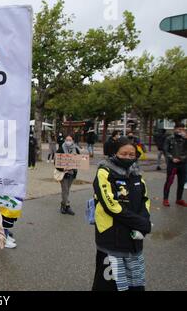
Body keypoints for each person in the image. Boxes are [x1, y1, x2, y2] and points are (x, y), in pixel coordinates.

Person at [92, 137, 151, 291]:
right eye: (124, 154)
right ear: (114, 153)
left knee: (134, 281)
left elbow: (145, 199)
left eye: (132, 155)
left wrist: (144, 219)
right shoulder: (104, 172)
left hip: (133, 238)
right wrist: (140, 223)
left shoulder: (136, 173)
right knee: (109, 284)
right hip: (111, 236)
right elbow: (111, 205)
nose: (128, 157)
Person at [162, 123, 187, 207]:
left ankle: (179, 199)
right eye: (178, 129)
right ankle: (165, 199)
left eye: (182, 129)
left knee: (181, 182)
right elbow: (165, 150)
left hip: (183, 163)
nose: (180, 131)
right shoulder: (169, 138)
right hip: (172, 164)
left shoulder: (185, 139)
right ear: (174, 129)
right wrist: (172, 158)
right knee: (169, 182)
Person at [55, 135, 80, 215]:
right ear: (65, 140)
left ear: (72, 141)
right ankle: (66, 206)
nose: (68, 141)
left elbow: (79, 160)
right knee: (65, 190)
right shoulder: (61, 149)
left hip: (72, 173)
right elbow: (56, 162)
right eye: (67, 140)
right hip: (64, 174)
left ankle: (63, 205)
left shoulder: (76, 149)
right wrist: (63, 169)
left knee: (67, 190)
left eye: (70, 140)